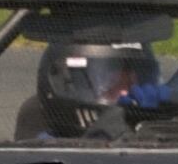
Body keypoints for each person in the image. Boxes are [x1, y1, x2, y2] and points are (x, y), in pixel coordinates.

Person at [15, 40, 164, 139]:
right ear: (70, 81)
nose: (127, 93)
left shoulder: (160, 141)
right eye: (112, 81)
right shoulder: (44, 142)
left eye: (140, 80)